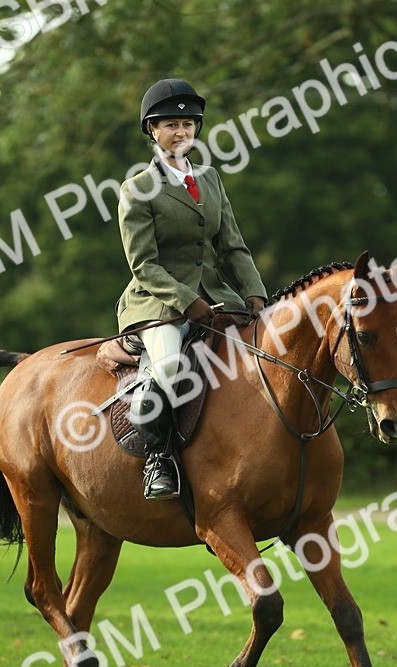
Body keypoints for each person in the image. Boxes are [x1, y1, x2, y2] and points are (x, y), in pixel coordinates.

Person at [116, 78, 268, 500]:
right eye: (170, 125)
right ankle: (158, 459)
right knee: (170, 370)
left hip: (219, 296)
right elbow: (143, 265)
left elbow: (232, 245)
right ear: (152, 130)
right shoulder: (137, 189)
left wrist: (255, 293)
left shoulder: (211, 179)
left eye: (188, 124)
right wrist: (188, 303)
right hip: (158, 303)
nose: (181, 132)